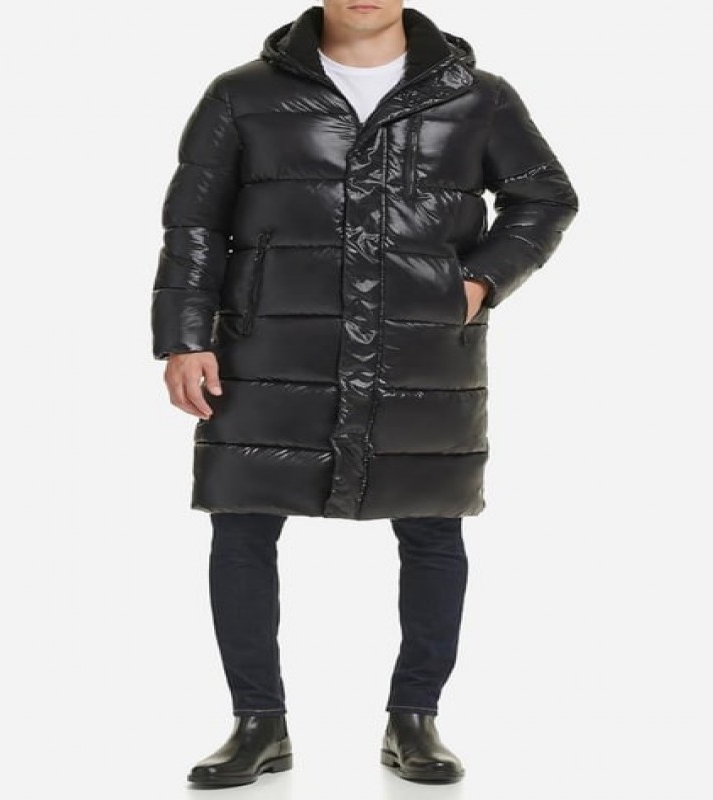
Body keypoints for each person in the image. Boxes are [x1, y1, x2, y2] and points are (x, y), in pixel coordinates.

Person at [151, 1, 579, 787]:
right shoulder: (242, 93)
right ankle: (257, 724)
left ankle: (416, 720)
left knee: (433, 528)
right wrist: (184, 337)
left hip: (421, 348)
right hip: (266, 346)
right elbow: (194, 225)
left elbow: (545, 197)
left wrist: (480, 282)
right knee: (241, 525)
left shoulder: (478, 96)